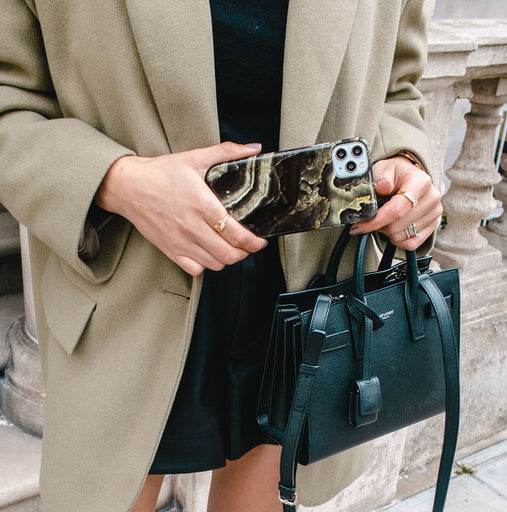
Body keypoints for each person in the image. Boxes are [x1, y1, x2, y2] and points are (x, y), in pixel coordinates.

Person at [0, 1, 442, 511]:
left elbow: (397, 89)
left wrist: (407, 163)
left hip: (304, 294)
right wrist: (120, 181)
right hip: (127, 282)